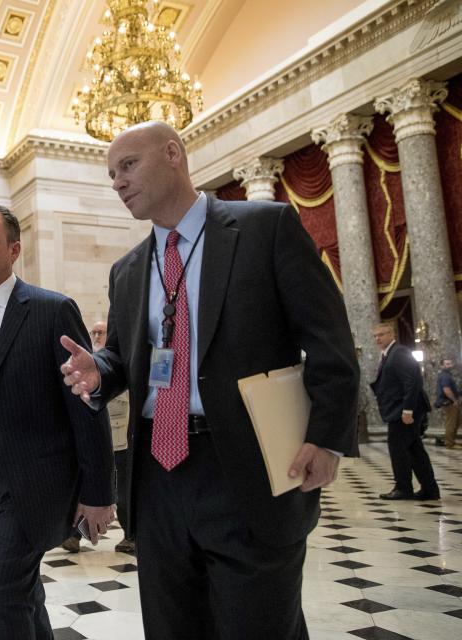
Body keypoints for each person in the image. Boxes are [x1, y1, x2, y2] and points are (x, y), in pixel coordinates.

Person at [59, 122, 359, 639]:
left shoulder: (266, 229)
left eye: (128, 165)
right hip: (157, 476)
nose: (118, 182)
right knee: (174, 627)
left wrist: (327, 438)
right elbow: (125, 359)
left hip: (250, 466)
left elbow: (330, 343)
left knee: (259, 626)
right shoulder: (128, 270)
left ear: (173, 153)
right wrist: (98, 371)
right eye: (111, 174)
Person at [0, 202, 114, 640]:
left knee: (2, 601)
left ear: (13, 250)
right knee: (21, 593)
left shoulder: (51, 310)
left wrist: (99, 492)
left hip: (30, 479)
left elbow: (85, 406)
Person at [61, 320, 133, 555]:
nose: (96, 335)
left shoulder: (120, 360)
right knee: (85, 487)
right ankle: (76, 535)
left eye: (100, 332)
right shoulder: (86, 360)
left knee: (122, 491)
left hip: (120, 435)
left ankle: (130, 534)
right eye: (93, 332)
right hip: (91, 436)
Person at [370, 323, 439, 500]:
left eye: (382, 334)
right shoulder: (389, 355)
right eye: (375, 336)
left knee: (398, 449)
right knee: (415, 450)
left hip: (404, 412)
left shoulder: (399, 352)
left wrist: (407, 410)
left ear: (391, 334)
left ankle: (403, 488)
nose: (378, 338)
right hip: (400, 410)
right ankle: (430, 489)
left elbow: (412, 381)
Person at [434, 357, 460, 448]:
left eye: (450, 363)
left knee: (455, 422)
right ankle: (450, 443)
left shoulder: (447, 375)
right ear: (442, 365)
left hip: (450, 401)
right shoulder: (445, 376)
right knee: (451, 423)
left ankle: (451, 442)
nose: (449, 365)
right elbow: (446, 390)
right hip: (449, 402)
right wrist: (455, 400)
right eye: (447, 364)